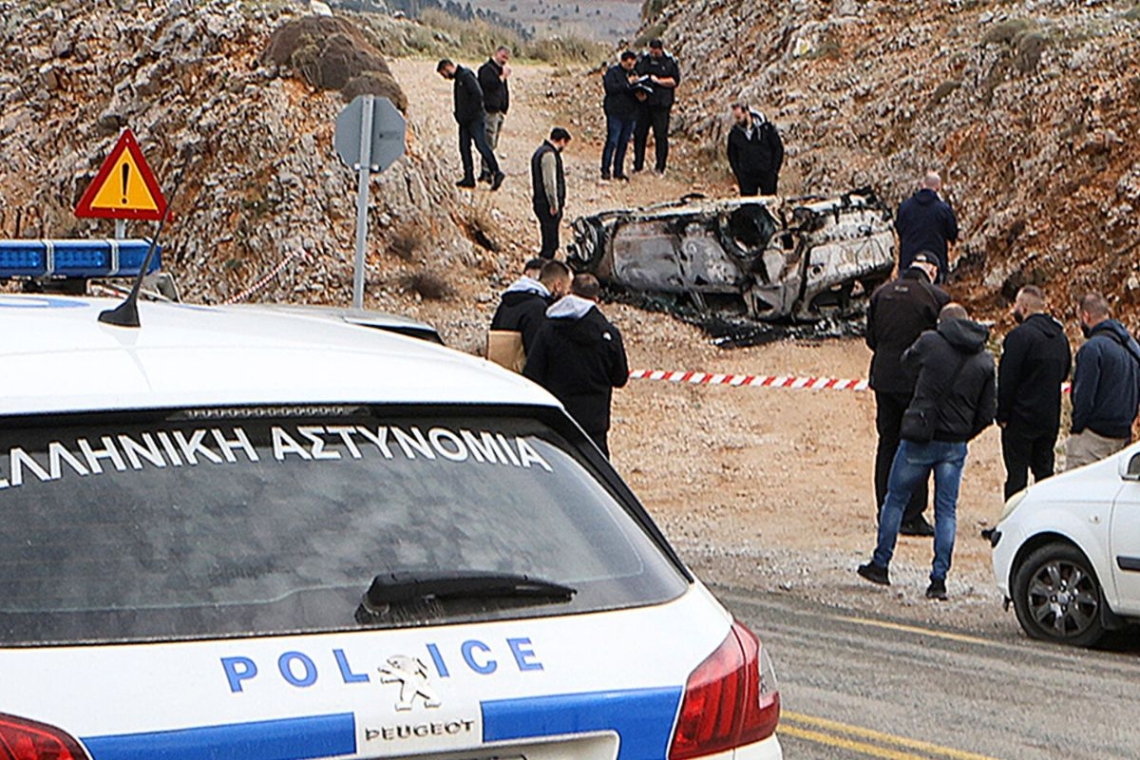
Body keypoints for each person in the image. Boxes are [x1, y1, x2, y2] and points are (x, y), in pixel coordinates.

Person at [857, 303, 996, 600]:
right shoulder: (985, 359)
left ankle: (881, 563)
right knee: (946, 510)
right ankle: (938, 580)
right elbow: (987, 412)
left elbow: (906, 364)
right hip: (954, 444)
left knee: (895, 499)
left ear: (941, 323)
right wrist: (963, 432)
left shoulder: (930, 342)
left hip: (920, 437)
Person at [866, 253, 950, 536]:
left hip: (884, 377)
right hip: (916, 380)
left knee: (887, 442)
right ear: (932, 270)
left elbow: (871, 338)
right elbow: (942, 341)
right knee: (916, 443)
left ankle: (885, 508)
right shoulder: (935, 297)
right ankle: (912, 513)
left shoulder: (882, 293)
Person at [524, 273, 629, 456]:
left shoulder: (548, 327)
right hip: (594, 423)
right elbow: (620, 378)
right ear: (596, 299)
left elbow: (532, 374)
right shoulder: (608, 333)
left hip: (557, 418)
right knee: (595, 478)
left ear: (570, 292)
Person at [996, 286, 1072, 499]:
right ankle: (1044, 518)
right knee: (1044, 472)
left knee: (1017, 475)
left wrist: (1002, 415)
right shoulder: (1060, 338)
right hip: (1049, 417)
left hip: (1020, 418)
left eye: (1016, 306)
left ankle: (1012, 523)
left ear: (1025, 307)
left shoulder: (1019, 337)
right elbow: (1064, 372)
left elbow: (1007, 379)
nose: (1013, 310)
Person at [1065, 293, 1140, 470]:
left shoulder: (1092, 348)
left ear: (1086, 316)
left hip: (1093, 438)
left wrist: (1077, 427)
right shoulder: (1131, 349)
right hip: (1122, 438)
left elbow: (1084, 394)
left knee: (1076, 491)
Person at [488, 259, 573, 372]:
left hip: (496, 371)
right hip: (519, 378)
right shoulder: (538, 309)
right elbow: (537, 354)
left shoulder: (508, 299)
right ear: (557, 286)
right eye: (567, 290)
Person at [436, 59, 504, 191]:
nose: (445, 77)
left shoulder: (466, 76)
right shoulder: (459, 79)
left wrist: (470, 114)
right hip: (464, 121)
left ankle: (496, 172)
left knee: (482, 145)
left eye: (444, 73)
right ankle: (469, 177)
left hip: (474, 119)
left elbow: (478, 95)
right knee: (464, 147)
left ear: (448, 67)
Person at [894, 172, 958, 282]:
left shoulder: (905, 207)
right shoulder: (943, 210)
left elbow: (899, 229)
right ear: (938, 187)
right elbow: (952, 234)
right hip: (934, 264)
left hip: (908, 261)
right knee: (933, 296)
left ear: (922, 184)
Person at [632, 39, 681, 176]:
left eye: (655, 51)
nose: (653, 53)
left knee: (660, 136)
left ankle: (660, 167)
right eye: (651, 50)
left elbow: (674, 81)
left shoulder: (669, 62)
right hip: (644, 104)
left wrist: (658, 81)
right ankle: (638, 165)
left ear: (660, 49)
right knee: (640, 134)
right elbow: (636, 74)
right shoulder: (644, 60)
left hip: (661, 105)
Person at [726, 102, 784, 196]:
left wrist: (774, 171)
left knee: (768, 206)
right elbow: (732, 154)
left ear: (747, 113)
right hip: (747, 178)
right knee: (748, 207)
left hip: (767, 175)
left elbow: (778, 148)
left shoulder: (766, 128)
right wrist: (739, 173)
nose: (738, 121)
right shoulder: (734, 133)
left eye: (739, 117)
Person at [531, 127, 572, 259]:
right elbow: (550, 182)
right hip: (547, 205)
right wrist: (554, 204)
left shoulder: (541, 152)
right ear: (561, 141)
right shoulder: (549, 156)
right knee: (550, 242)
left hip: (541, 202)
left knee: (547, 237)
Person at [601, 51, 640, 182]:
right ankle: (605, 169)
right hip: (615, 113)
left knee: (624, 143)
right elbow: (610, 88)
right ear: (623, 61)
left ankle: (618, 170)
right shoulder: (613, 72)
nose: (631, 66)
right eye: (628, 63)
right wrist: (627, 83)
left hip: (630, 114)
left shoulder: (635, 73)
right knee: (612, 141)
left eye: (632, 63)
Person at [477, 46, 511, 184]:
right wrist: (502, 77)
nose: (505, 60)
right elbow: (490, 85)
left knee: (493, 143)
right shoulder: (486, 70)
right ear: (496, 54)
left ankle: (487, 170)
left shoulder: (500, 70)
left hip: (499, 112)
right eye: (503, 56)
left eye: (507, 58)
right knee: (488, 143)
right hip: (489, 112)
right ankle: (487, 171)